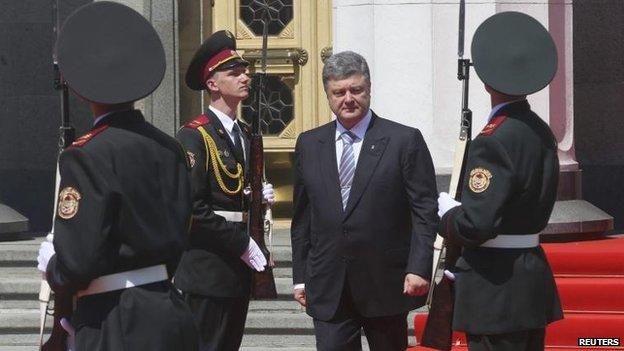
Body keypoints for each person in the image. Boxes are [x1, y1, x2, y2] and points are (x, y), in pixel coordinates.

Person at [36, 2, 198, 350]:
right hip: (169, 309)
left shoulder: (86, 155)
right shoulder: (169, 148)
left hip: (116, 321)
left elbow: (79, 262)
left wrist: (52, 265)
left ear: (80, 88)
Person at [291, 50, 439, 351]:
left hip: (385, 283)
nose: (348, 99)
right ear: (327, 95)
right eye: (339, 92)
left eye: (356, 90)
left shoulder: (403, 141)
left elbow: (424, 210)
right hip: (329, 285)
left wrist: (420, 267)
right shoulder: (309, 143)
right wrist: (300, 277)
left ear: (368, 89)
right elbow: (303, 218)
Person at [437, 11, 563, 350]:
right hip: (528, 279)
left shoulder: (494, 139)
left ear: (486, 82)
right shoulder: (540, 131)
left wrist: (447, 215)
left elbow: (477, 224)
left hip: (496, 287)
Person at [173, 30, 275, 351]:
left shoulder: (244, 133)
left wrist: (259, 199)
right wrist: (242, 243)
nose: (246, 77)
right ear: (213, 84)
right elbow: (193, 208)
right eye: (235, 73)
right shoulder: (194, 136)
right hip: (207, 270)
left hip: (236, 272)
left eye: (245, 71)